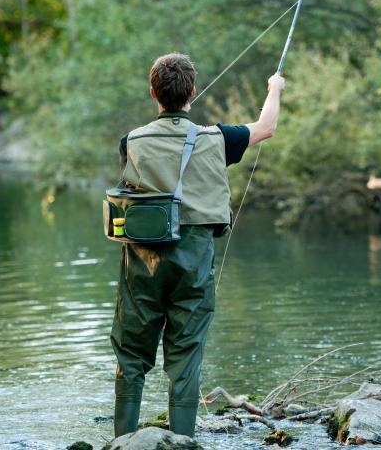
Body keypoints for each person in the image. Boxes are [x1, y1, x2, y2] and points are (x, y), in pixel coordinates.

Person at [110, 52, 284, 439]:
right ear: (192, 91)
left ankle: (122, 442)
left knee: (131, 354)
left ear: (152, 93)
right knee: (186, 354)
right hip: (195, 257)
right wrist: (275, 88)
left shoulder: (130, 141)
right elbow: (267, 127)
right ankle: (182, 441)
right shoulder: (219, 138)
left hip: (142, 260)